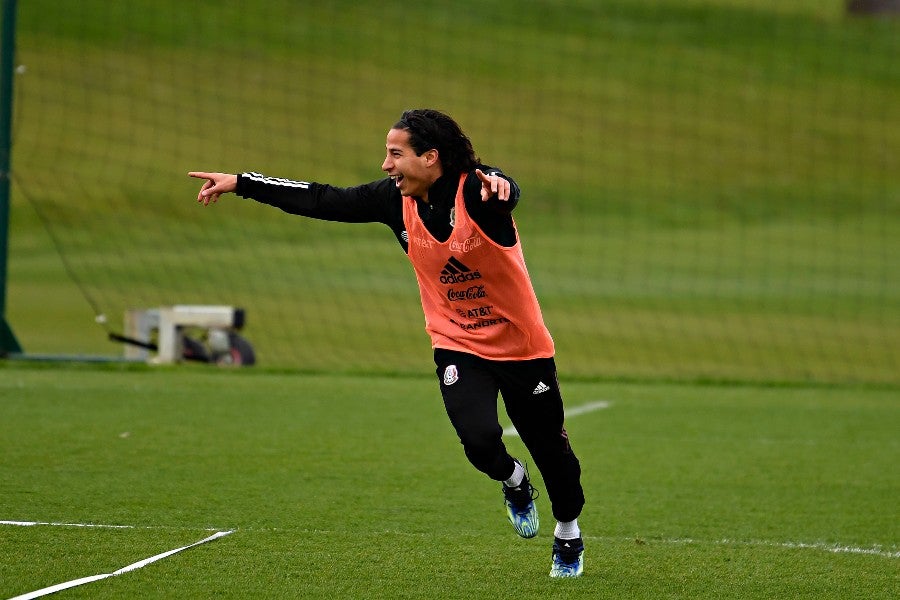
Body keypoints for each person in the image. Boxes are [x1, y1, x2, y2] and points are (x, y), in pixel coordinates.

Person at [189, 108, 586, 578]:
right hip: (457, 341)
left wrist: (504, 183)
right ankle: (514, 481)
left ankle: (568, 535)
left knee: (553, 455)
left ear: (430, 158)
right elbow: (322, 199)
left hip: (523, 349)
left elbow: (501, 188)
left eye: (395, 154)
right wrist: (241, 182)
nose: (385, 165)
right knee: (479, 442)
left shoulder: (477, 195)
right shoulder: (392, 201)